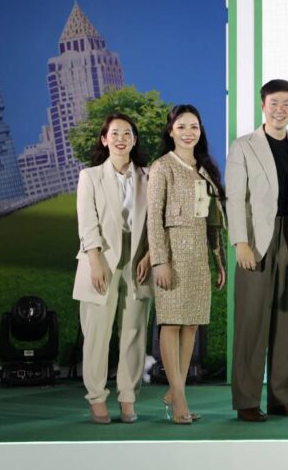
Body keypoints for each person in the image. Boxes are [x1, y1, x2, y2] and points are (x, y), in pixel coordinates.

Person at [226, 79, 288, 422]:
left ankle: (283, 398)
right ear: (263, 105)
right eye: (274, 103)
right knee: (251, 322)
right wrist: (240, 242)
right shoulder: (244, 146)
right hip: (256, 241)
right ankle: (247, 401)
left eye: (287, 104)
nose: (281, 110)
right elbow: (235, 197)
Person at [147, 104, 227, 424]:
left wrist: (219, 261)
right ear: (171, 131)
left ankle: (176, 391)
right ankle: (178, 398)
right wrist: (160, 261)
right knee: (171, 323)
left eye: (194, 126)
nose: (188, 132)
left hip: (198, 257)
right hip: (172, 254)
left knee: (192, 324)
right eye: (181, 126)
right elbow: (154, 219)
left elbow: (212, 222)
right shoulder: (162, 167)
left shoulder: (204, 169)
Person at [74, 113, 153, 424]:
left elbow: (155, 222)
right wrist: (95, 262)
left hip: (139, 260)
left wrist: (150, 255)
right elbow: (87, 223)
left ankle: (128, 397)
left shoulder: (149, 176)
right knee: (97, 333)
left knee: (134, 332)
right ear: (104, 140)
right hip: (101, 259)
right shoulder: (90, 176)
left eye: (127, 133)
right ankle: (96, 397)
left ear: (134, 140)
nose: (121, 139)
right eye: (115, 133)